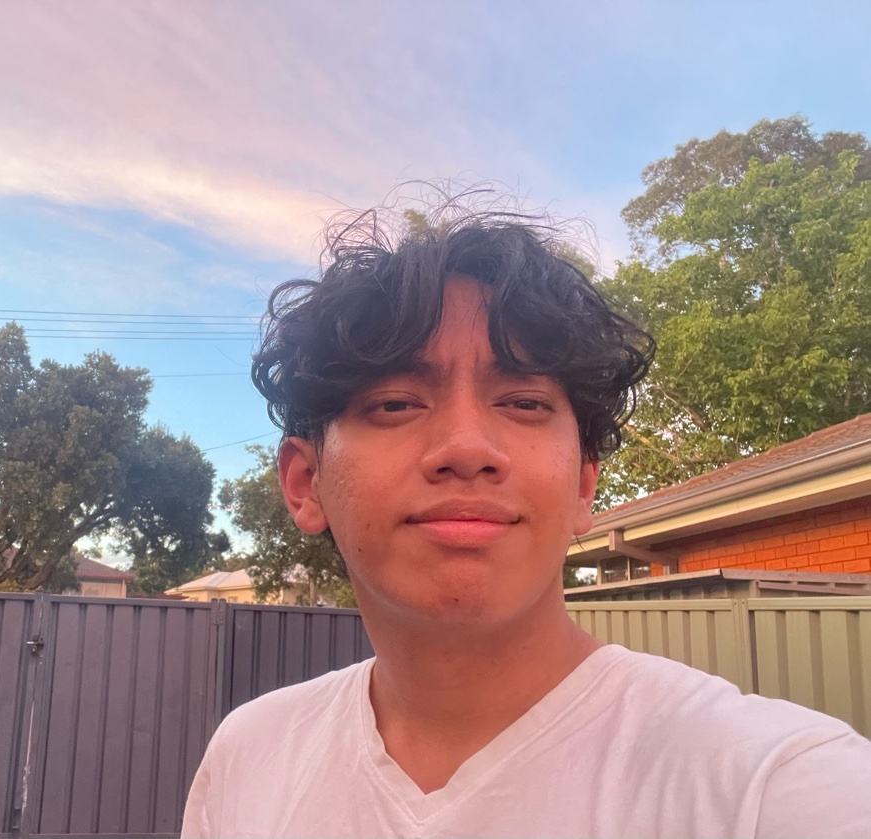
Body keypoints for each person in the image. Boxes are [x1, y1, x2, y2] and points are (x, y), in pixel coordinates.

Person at [181, 201, 871, 838]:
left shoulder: (775, 788)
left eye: (522, 402)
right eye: (395, 403)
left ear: (581, 485)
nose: (467, 449)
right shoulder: (248, 760)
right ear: (305, 483)